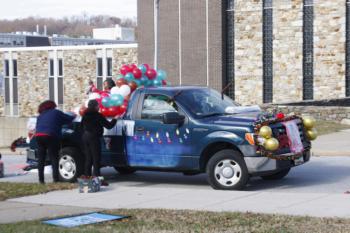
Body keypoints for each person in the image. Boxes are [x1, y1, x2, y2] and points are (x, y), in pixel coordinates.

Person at [35, 100, 75, 184]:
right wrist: (74, 114)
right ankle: (55, 179)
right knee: (54, 157)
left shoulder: (40, 115)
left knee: (41, 159)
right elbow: (69, 119)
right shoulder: (56, 112)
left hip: (38, 136)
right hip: (50, 136)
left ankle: (41, 180)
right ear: (52, 106)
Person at [81, 99, 117, 183]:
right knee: (96, 159)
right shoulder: (98, 115)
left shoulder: (85, 115)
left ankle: (87, 179)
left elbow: (81, 126)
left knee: (88, 159)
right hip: (93, 138)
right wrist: (115, 119)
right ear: (95, 106)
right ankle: (97, 180)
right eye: (98, 105)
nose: (99, 107)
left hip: (85, 137)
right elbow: (109, 126)